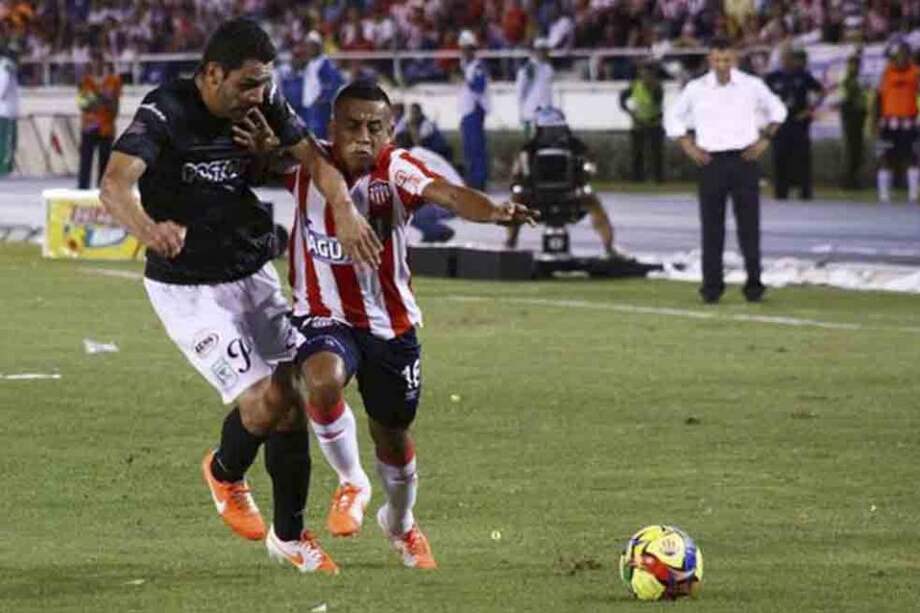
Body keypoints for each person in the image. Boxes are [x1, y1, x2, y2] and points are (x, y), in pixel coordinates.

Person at [99, 18, 382, 574]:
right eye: (246, 85)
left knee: (293, 394)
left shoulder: (265, 100)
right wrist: (147, 229)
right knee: (262, 401)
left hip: (251, 271)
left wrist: (345, 211)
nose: (258, 96)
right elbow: (115, 183)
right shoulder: (167, 110)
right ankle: (226, 473)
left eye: (263, 84)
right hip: (189, 287)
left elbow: (314, 161)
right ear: (212, 73)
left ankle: (289, 535)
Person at [266, 81, 535, 570]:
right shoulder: (306, 167)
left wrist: (492, 210)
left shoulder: (396, 168)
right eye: (352, 126)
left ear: (389, 131)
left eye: (375, 127)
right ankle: (351, 482)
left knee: (392, 434)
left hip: (390, 326)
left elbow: (448, 194)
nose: (363, 137)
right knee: (322, 383)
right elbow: (257, 157)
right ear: (333, 129)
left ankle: (402, 523)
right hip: (321, 314)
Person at [665, 37, 786, 304]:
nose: (722, 65)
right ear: (710, 60)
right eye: (717, 60)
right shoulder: (696, 89)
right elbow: (672, 117)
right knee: (711, 228)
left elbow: (778, 110)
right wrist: (688, 146)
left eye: (727, 60)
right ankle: (711, 287)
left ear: (735, 59)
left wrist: (765, 139)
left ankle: (754, 285)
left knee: (749, 227)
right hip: (711, 162)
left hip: (744, 159)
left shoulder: (751, 85)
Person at [505, 106, 619, 258]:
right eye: (547, 130)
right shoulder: (528, 149)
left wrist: (586, 173)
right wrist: (518, 184)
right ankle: (510, 244)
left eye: (555, 130)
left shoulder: (576, 147)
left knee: (593, 202)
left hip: (570, 194)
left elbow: (591, 166)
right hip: (535, 195)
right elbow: (517, 172)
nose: (552, 135)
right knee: (515, 202)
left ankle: (609, 247)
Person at [765, 48, 825, 200]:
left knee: (802, 157)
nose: (787, 61)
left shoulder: (803, 76)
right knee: (780, 156)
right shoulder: (773, 77)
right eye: (784, 58)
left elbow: (821, 91)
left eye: (790, 58)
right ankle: (780, 191)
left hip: (798, 121)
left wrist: (810, 109)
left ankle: (805, 191)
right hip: (780, 122)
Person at [874, 42, 920, 204]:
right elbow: (879, 98)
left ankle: (913, 194)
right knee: (885, 157)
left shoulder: (916, 73)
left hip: (909, 121)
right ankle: (884, 194)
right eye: (899, 55)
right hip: (889, 121)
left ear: (909, 56)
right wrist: (876, 120)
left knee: (912, 157)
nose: (901, 58)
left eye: (905, 54)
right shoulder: (887, 72)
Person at [77, 49, 122, 189]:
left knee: (105, 163)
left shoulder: (114, 81)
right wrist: (103, 100)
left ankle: (102, 193)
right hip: (89, 127)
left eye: (100, 62)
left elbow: (114, 107)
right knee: (85, 163)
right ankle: (82, 191)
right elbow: (83, 104)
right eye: (94, 62)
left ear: (104, 63)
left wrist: (98, 101)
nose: (97, 65)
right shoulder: (85, 82)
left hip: (106, 128)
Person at [619, 60, 664, 183]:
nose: (645, 77)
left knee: (656, 154)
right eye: (643, 74)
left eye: (648, 74)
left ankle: (658, 179)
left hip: (654, 124)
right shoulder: (635, 86)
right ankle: (637, 179)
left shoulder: (657, 87)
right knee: (637, 154)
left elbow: (656, 100)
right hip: (638, 124)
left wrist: (651, 87)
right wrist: (630, 112)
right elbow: (622, 99)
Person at [457, 29, 490, 190]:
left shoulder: (477, 66)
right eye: (462, 49)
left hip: (474, 111)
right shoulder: (464, 66)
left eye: (467, 49)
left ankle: (479, 180)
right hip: (466, 111)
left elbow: (479, 86)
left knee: (477, 148)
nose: (464, 52)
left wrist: (466, 80)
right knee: (468, 148)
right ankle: (472, 178)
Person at [301, 30, 344, 140]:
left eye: (311, 46)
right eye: (307, 46)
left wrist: (322, 98)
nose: (308, 49)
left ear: (318, 47)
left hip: (319, 107)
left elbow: (335, 82)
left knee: (319, 136)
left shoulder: (324, 63)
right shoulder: (311, 63)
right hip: (309, 106)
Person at [839, 52, 869, 189]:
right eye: (853, 64)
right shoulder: (847, 80)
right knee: (851, 149)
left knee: (857, 149)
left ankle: (854, 179)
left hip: (859, 117)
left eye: (857, 65)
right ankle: (848, 180)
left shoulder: (857, 79)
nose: (855, 67)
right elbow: (846, 99)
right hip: (851, 116)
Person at [515, 38, 554, 138]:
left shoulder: (548, 67)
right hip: (531, 110)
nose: (544, 53)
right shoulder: (529, 68)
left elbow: (547, 90)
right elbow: (521, 90)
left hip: (546, 110)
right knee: (531, 142)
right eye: (541, 50)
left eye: (545, 50)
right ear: (535, 51)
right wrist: (521, 111)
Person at [0, 44, 18, 176]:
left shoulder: (6, 66)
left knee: (6, 140)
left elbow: (3, 86)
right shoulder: (5, 66)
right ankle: (4, 168)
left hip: (6, 109)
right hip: (5, 110)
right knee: (6, 140)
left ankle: (5, 167)